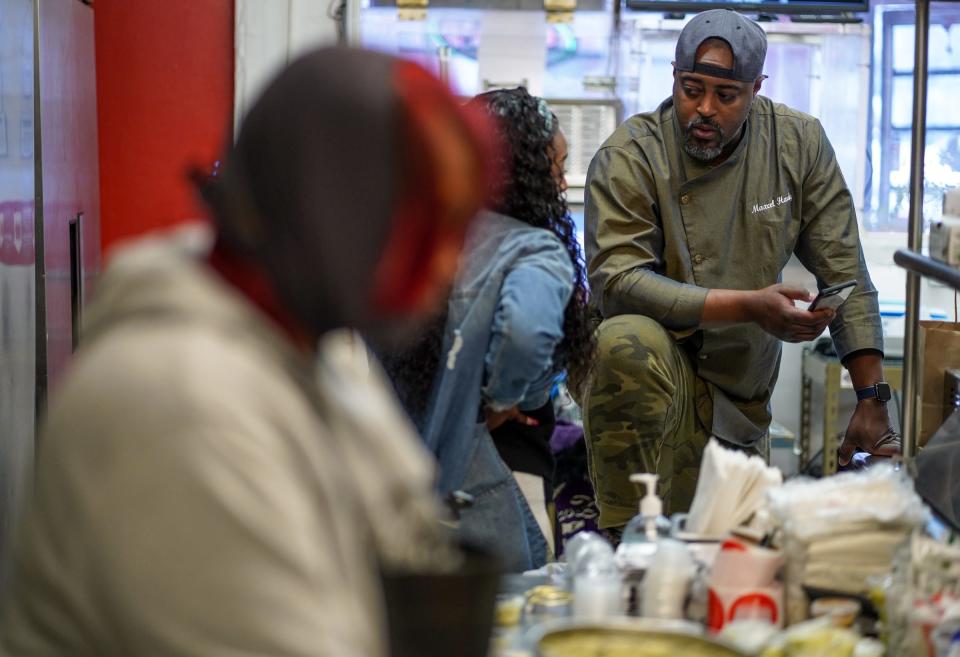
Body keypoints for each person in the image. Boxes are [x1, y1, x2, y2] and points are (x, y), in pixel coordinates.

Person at [0, 48, 492, 656]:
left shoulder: (312, 346)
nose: (448, 263)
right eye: (425, 227)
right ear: (337, 206)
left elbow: (402, 546)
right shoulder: (180, 402)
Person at [584, 9, 900, 534]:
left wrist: (872, 397)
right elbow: (618, 282)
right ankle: (621, 537)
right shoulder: (631, 155)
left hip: (741, 401)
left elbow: (846, 272)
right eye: (691, 89)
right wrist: (749, 305)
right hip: (653, 394)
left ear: (756, 89)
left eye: (725, 96)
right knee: (623, 342)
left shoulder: (796, 144)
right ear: (674, 78)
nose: (703, 110)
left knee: (732, 570)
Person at [379, 88, 595, 570]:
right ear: (528, 175)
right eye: (555, 166)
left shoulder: (420, 242)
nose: (562, 181)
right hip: (496, 461)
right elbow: (525, 333)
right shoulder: (532, 249)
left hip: (399, 465)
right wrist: (504, 396)